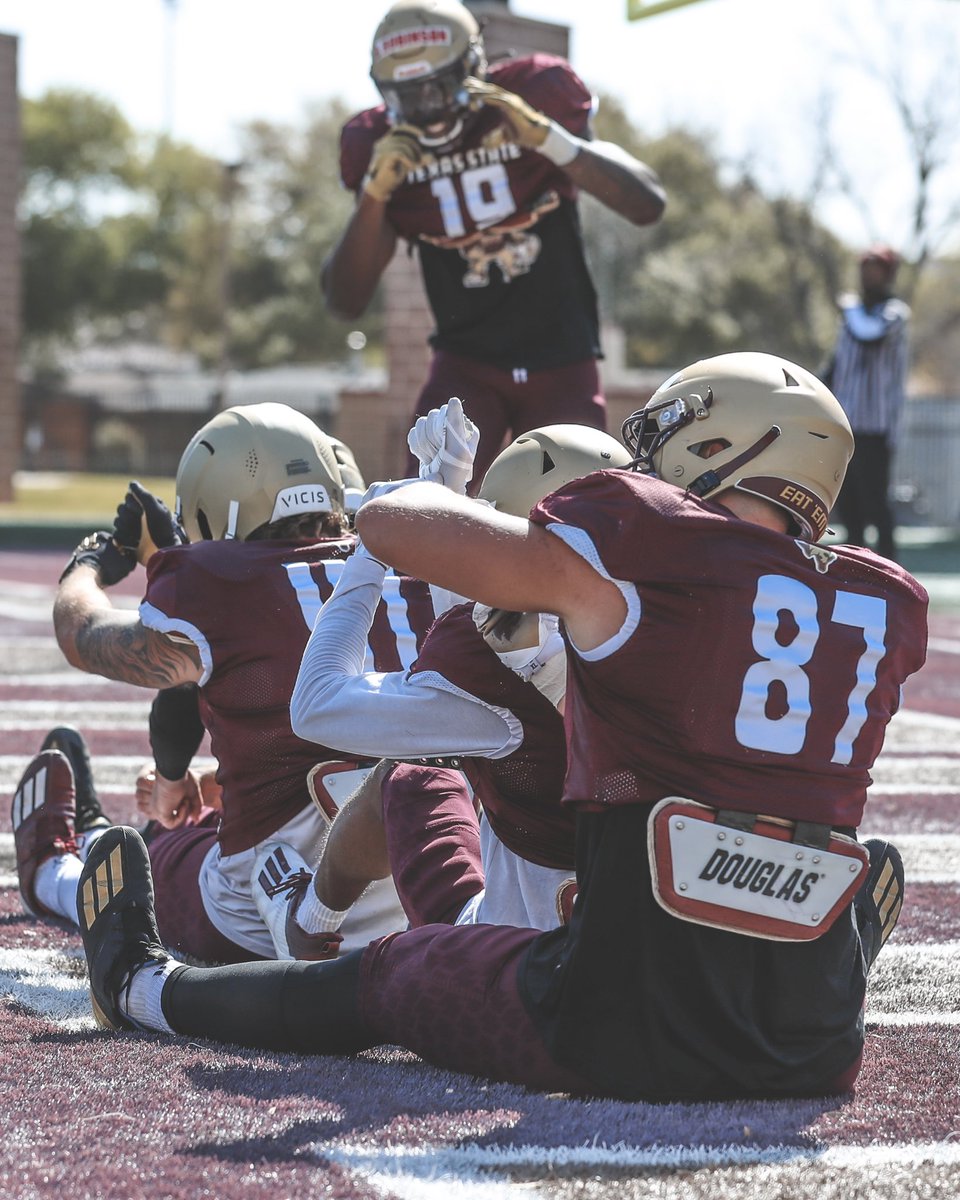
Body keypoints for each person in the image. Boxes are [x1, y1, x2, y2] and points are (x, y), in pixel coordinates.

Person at [75, 353, 928, 1102]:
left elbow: (397, 529)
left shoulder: (644, 549)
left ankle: (141, 986)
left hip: (622, 1022)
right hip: (815, 1044)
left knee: (398, 973)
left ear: (716, 448)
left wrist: (424, 491)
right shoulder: (890, 603)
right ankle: (841, 945)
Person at [14, 403, 435, 964]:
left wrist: (89, 563)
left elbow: (81, 634)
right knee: (209, 821)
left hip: (267, 918)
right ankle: (100, 833)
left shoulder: (218, 584)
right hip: (428, 902)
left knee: (149, 866)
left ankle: (51, 872)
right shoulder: (417, 571)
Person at [253, 405, 631, 952]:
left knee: (408, 778)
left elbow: (315, 705)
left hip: (521, 953)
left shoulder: (495, 678)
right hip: (655, 940)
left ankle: (307, 924)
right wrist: (446, 494)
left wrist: (373, 550)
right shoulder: (688, 621)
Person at [323, 0, 666, 485]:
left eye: (438, 86)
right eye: (408, 95)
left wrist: (548, 138)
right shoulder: (377, 142)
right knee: (423, 508)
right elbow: (345, 300)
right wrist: (374, 195)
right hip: (466, 365)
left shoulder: (534, 95)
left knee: (577, 507)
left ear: (473, 65)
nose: (426, 108)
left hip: (561, 357)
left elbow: (647, 203)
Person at [821, 244, 910, 560]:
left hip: (876, 428)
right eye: (865, 270)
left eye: (876, 271)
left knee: (876, 502)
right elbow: (836, 366)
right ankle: (855, 565)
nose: (868, 276)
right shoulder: (852, 315)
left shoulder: (894, 314)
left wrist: (849, 309)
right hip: (845, 425)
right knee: (848, 503)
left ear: (888, 275)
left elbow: (869, 334)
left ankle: (889, 567)